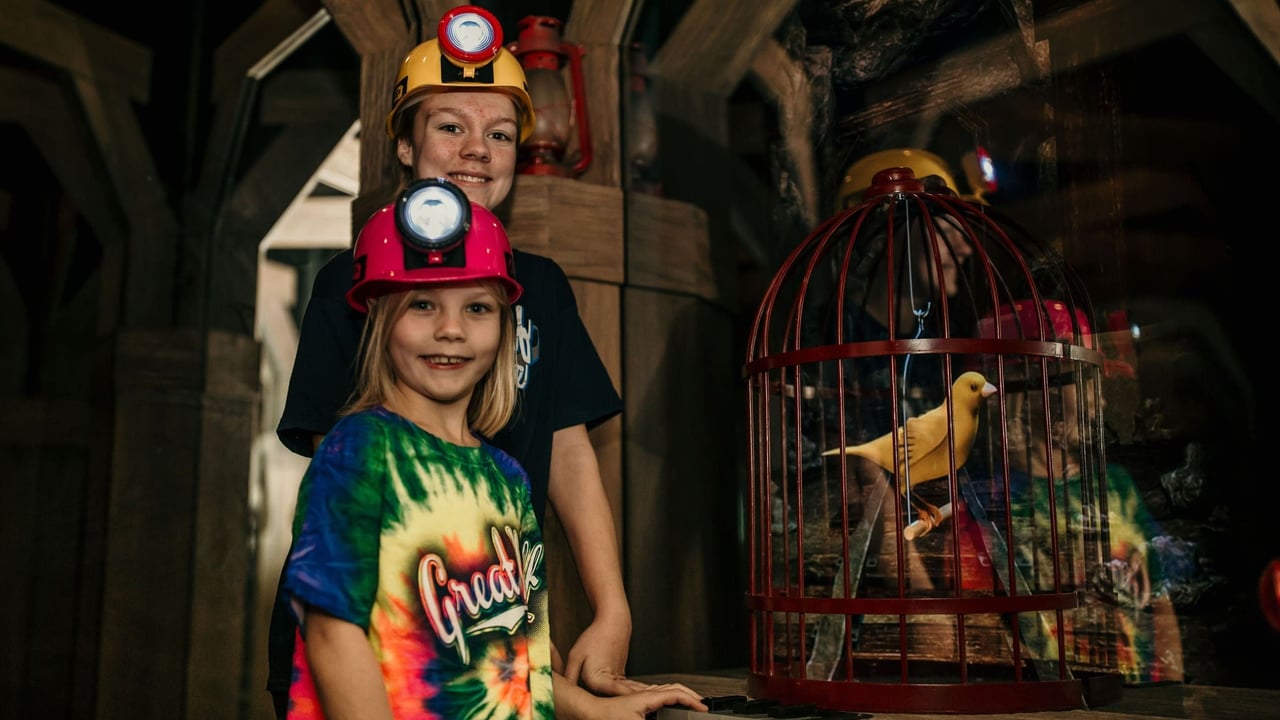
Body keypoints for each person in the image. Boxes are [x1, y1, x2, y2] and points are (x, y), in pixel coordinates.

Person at [269, 8, 640, 715]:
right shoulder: (346, 284)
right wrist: (486, 632)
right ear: (405, 147)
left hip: (492, 609)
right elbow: (348, 480)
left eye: (499, 134)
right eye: (450, 126)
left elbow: (569, 450)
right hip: (383, 636)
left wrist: (602, 611)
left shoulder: (543, 286)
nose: (476, 149)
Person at [280, 179, 707, 718]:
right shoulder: (360, 452)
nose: (452, 330)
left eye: (478, 308)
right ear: (381, 325)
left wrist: (595, 711)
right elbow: (332, 638)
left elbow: (517, 659)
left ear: (508, 328)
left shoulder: (506, 476)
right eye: (423, 305)